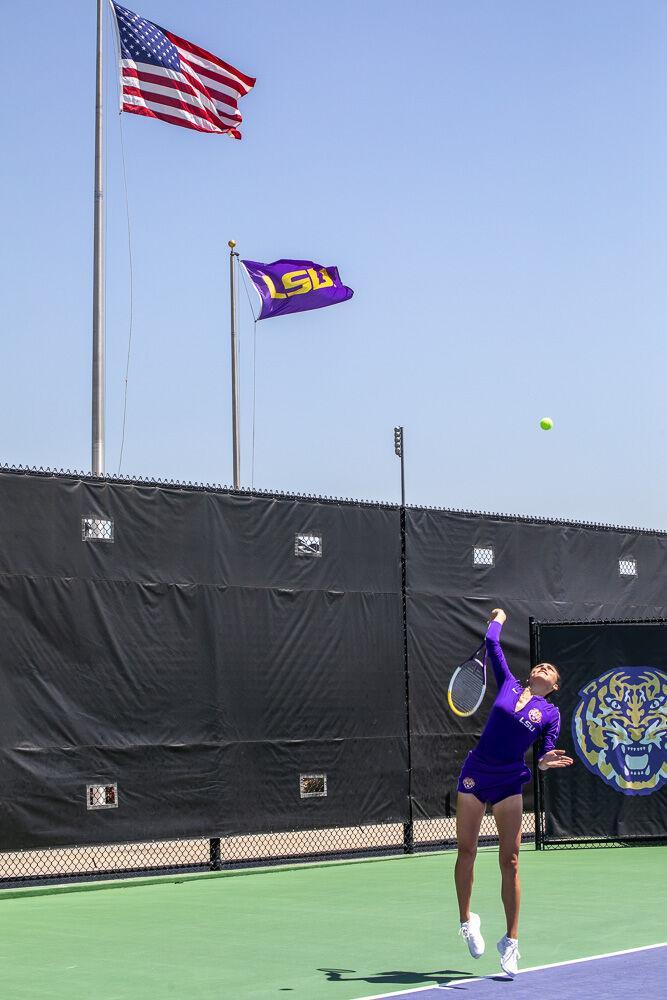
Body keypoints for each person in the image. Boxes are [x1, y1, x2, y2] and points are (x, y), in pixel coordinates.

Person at [455, 608, 573, 977]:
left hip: (509, 780)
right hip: (477, 771)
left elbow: (542, 754)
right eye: (541, 666)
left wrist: (544, 761)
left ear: (553, 686)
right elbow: (492, 642)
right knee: (467, 850)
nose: (543, 668)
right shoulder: (507, 683)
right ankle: (466, 920)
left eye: (550, 671)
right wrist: (500, 618)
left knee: (511, 861)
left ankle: (511, 941)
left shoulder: (549, 714)